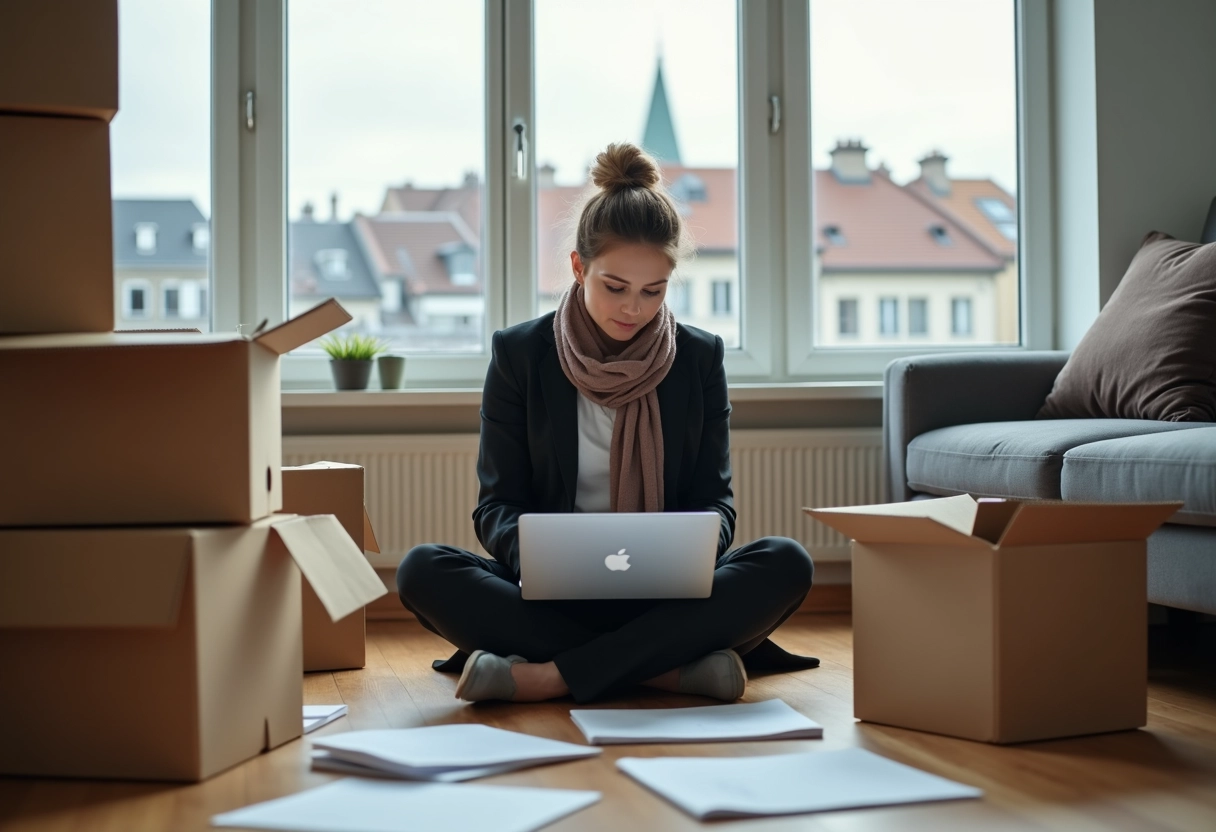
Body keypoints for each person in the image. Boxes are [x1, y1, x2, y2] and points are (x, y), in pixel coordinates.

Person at [397, 142, 817, 704]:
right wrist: (551, 560)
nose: (634, 310)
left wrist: (683, 555)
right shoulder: (520, 354)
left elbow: (716, 502)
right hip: (549, 595)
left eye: (654, 291)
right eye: (615, 287)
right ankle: (665, 668)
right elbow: (495, 505)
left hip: (665, 597)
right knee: (423, 569)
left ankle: (550, 675)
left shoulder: (698, 359)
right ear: (578, 267)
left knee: (786, 561)